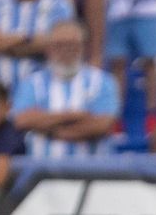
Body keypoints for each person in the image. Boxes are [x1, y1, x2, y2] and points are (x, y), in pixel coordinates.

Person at [11, 21, 119, 158]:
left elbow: (101, 125)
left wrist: (49, 129)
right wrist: (75, 116)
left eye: (73, 45)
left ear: (84, 48)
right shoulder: (31, 83)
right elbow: (22, 120)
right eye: (59, 45)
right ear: (49, 48)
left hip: (91, 172)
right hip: (40, 172)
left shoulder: (103, 82)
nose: (66, 51)